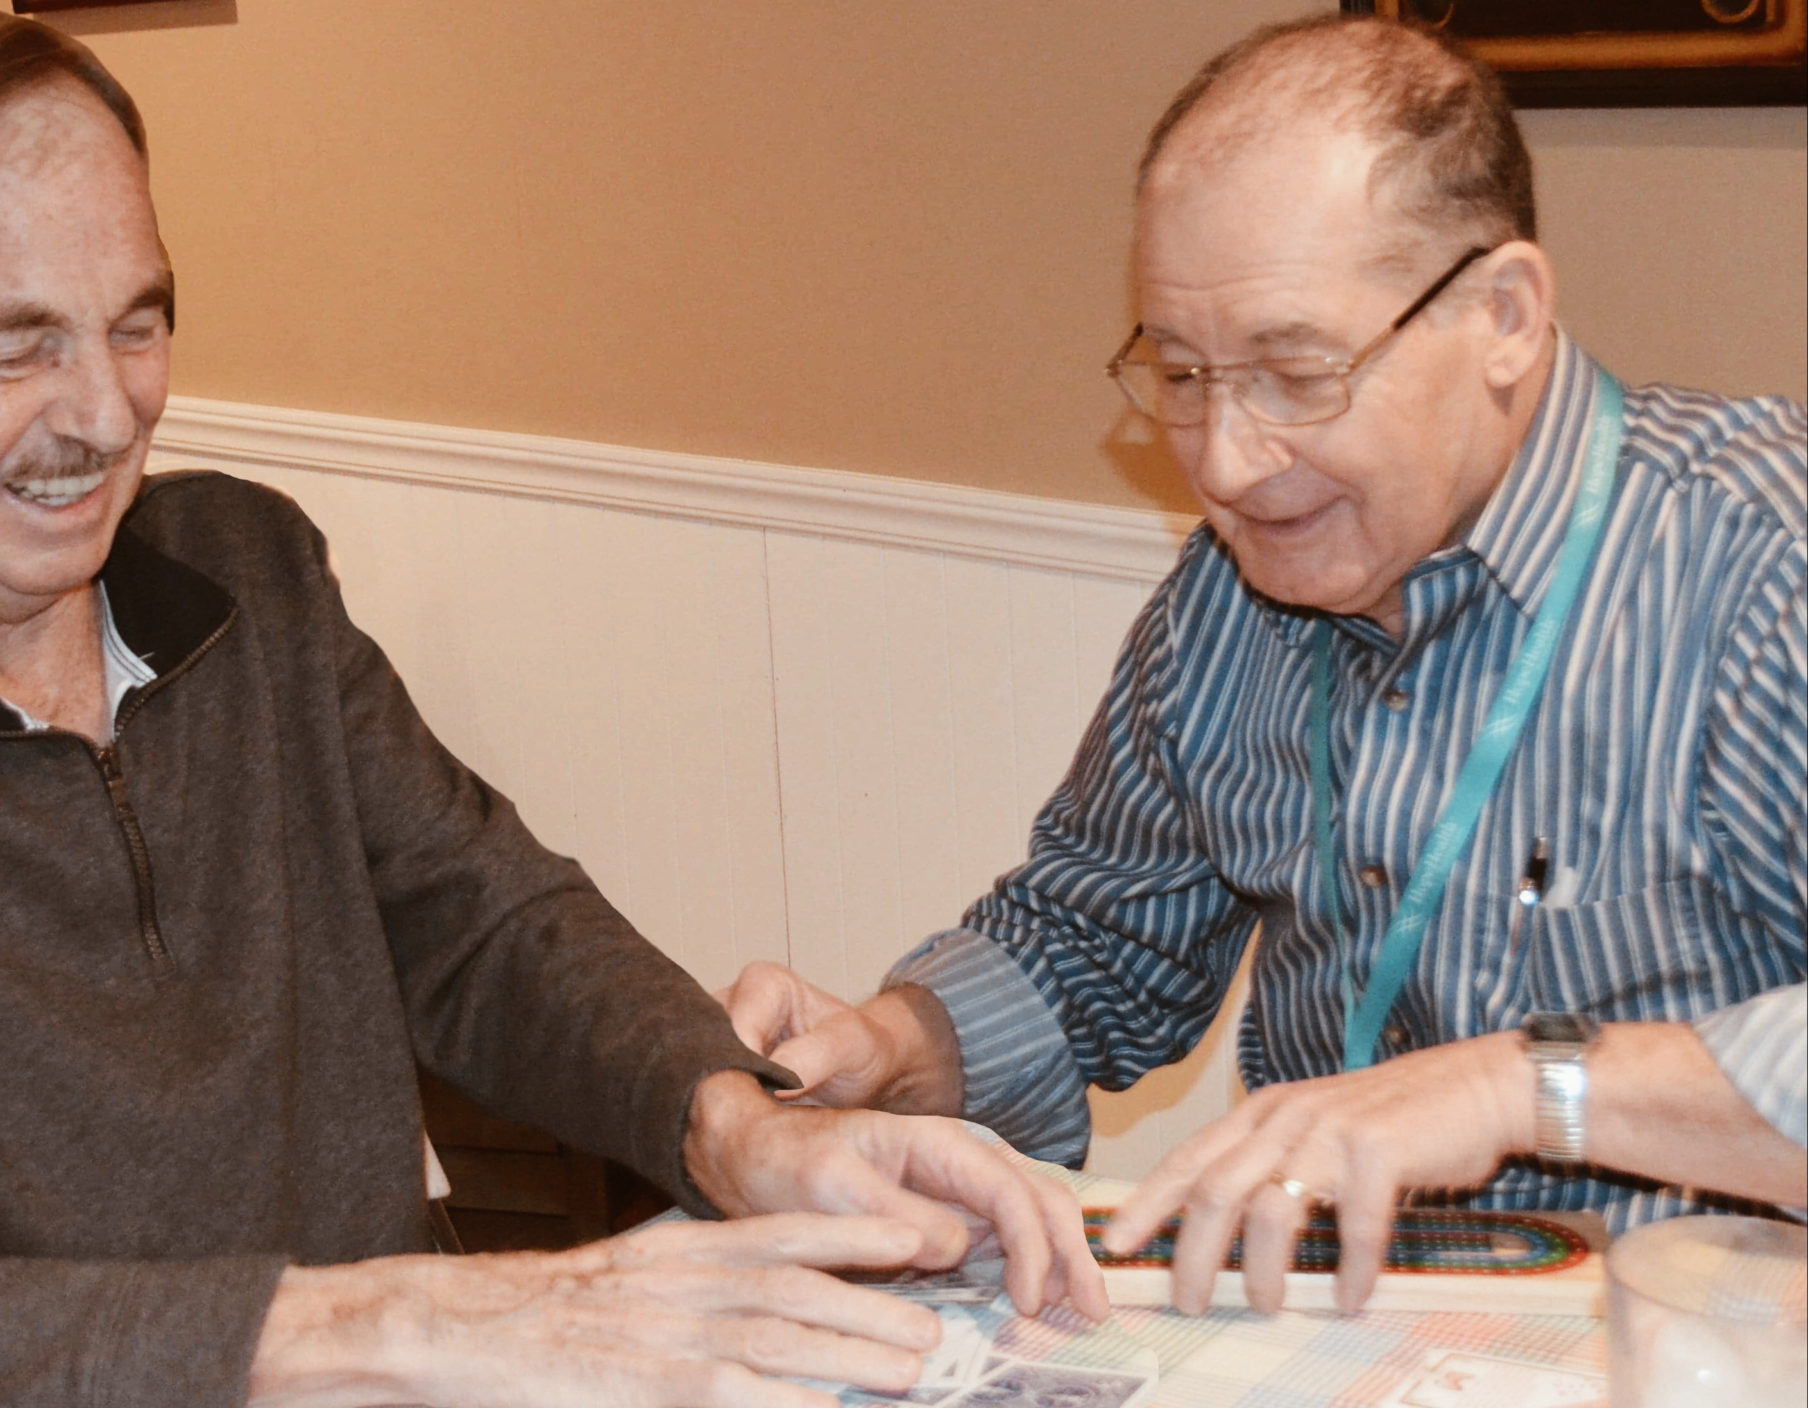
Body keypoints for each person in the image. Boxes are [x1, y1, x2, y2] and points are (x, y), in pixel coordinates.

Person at [0, 7, 1104, 1406]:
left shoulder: (247, 574)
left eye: (138, 323)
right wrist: (416, 1322)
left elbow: (485, 922)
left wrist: (732, 1126)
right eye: (15, 347)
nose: (104, 413)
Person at [724, 14, 1807, 1317]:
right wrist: (896, 1045)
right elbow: (1091, 940)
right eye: (1181, 374)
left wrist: (1516, 1082)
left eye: (1298, 373)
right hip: (1346, 1337)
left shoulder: (1759, 564)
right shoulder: (1239, 585)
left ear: (1505, 317)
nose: (1228, 464)